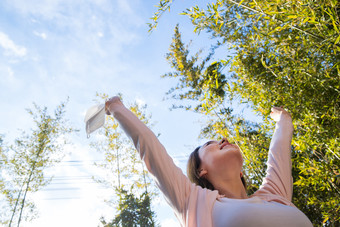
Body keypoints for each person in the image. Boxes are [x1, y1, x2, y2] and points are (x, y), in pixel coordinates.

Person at [105, 96, 313, 227]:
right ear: (200, 171)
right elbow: (150, 148)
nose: (223, 139)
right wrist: (115, 107)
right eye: (209, 144)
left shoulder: (274, 194)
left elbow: (279, 153)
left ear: (241, 172)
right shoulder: (192, 201)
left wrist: (284, 120)